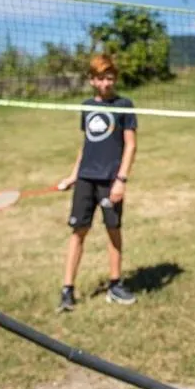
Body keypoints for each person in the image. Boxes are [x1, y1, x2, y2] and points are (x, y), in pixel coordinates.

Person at [56, 53, 138, 312]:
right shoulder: (87, 106)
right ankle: (67, 291)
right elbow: (87, 145)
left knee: (113, 230)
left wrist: (121, 180)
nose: (105, 83)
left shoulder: (124, 105)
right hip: (85, 180)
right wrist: (73, 175)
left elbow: (130, 145)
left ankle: (115, 285)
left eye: (110, 78)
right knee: (78, 232)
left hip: (110, 181)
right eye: (100, 79)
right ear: (92, 80)